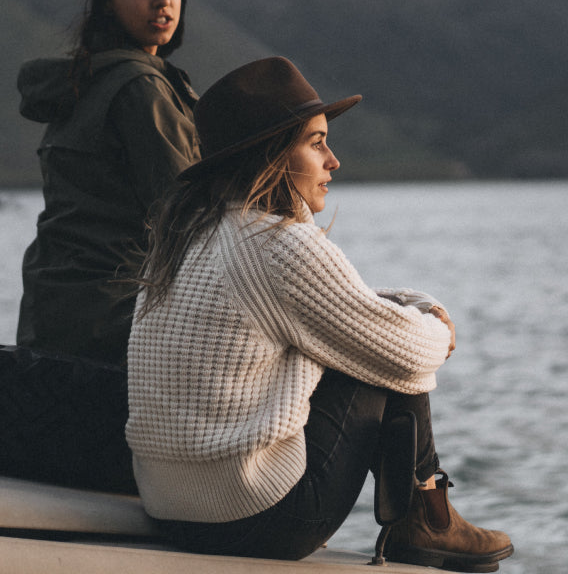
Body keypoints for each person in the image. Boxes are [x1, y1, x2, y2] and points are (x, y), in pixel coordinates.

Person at [126, 57, 514, 570]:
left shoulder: (186, 237)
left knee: (370, 334)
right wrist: (438, 327)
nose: (333, 161)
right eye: (315, 143)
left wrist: (416, 304)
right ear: (269, 155)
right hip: (256, 520)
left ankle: (427, 516)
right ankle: (425, 519)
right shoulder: (276, 242)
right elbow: (406, 352)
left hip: (166, 508)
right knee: (389, 361)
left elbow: (334, 308)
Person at [15, 0, 200, 366]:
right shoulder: (140, 86)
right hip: (115, 321)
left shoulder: (81, 81)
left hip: (50, 317)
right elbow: (193, 215)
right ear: (105, 3)